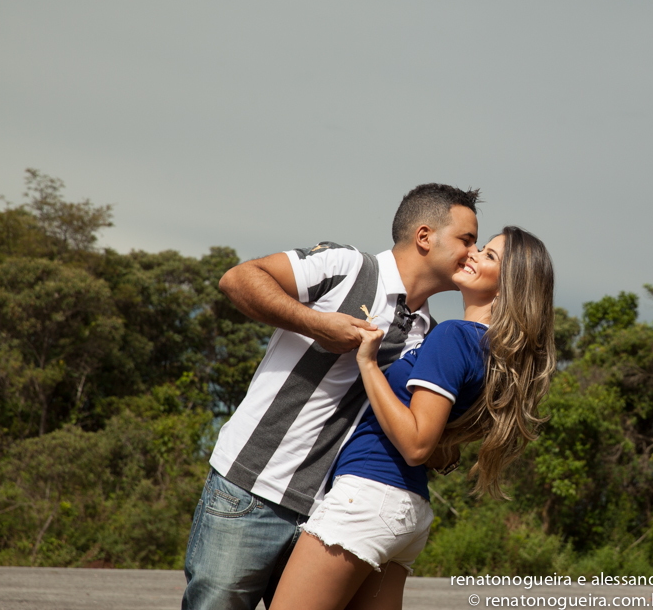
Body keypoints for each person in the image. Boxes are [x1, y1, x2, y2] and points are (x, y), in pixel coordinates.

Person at [182, 184, 482, 610]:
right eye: (466, 240)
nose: (473, 253)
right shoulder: (348, 266)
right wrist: (316, 324)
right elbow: (238, 279)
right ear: (424, 236)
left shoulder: (428, 335)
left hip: (330, 516)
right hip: (250, 491)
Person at [270, 226, 558, 610]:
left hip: (369, 496)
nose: (472, 253)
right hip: (407, 510)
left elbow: (417, 444)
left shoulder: (455, 336)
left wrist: (368, 363)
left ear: (509, 286)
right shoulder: (492, 353)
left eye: (489, 255)